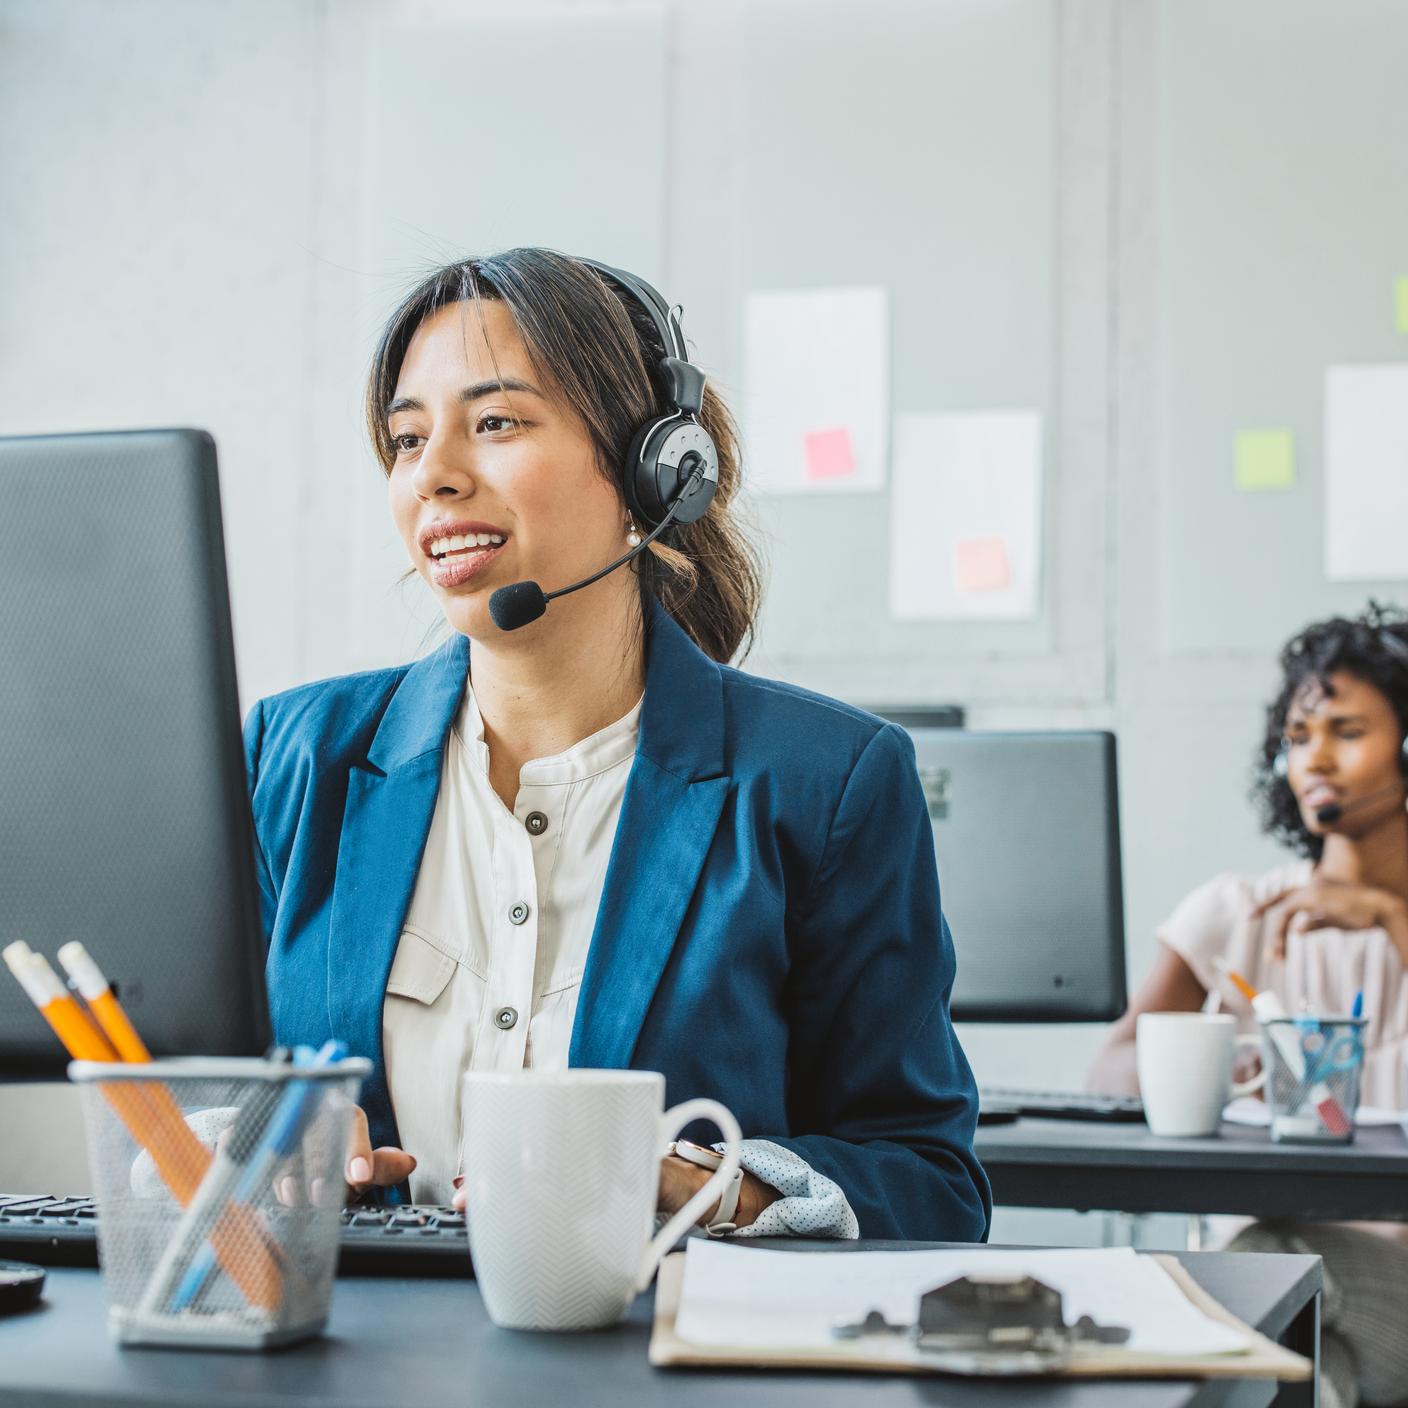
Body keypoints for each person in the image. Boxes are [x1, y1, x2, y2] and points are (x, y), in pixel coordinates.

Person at [242, 248, 990, 1243]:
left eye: (495, 421)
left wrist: (712, 1189)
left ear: (656, 465)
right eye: (406, 437)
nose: (435, 475)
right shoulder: (295, 756)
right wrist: (269, 1158)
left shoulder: (824, 783)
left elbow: (929, 1179)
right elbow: (211, 1100)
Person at [1090, 604, 1408, 1408]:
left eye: (1346, 730)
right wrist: (1219, 1071)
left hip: (1367, 1282)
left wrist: (1394, 921)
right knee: (1306, 1369)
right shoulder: (1237, 912)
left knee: (1273, 1264)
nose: (1316, 761)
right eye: (1298, 739)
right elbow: (1109, 1073)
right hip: (1270, 1295)